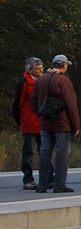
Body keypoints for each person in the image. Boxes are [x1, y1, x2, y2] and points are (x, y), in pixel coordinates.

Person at [29, 54, 80, 193]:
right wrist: (75, 125)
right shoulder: (63, 80)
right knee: (61, 153)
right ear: (63, 66)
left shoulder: (41, 80)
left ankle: (42, 185)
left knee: (44, 152)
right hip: (62, 123)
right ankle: (59, 184)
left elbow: (33, 101)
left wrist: (41, 114)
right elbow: (71, 104)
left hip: (45, 123)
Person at [10, 57, 43, 189]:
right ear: (30, 70)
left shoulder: (42, 81)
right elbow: (16, 104)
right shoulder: (24, 82)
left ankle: (48, 177)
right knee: (28, 152)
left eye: (41, 68)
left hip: (41, 122)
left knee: (44, 151)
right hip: (29, 122)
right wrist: (20, 120)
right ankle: (28, 179)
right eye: (38, 69)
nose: (41, 71)